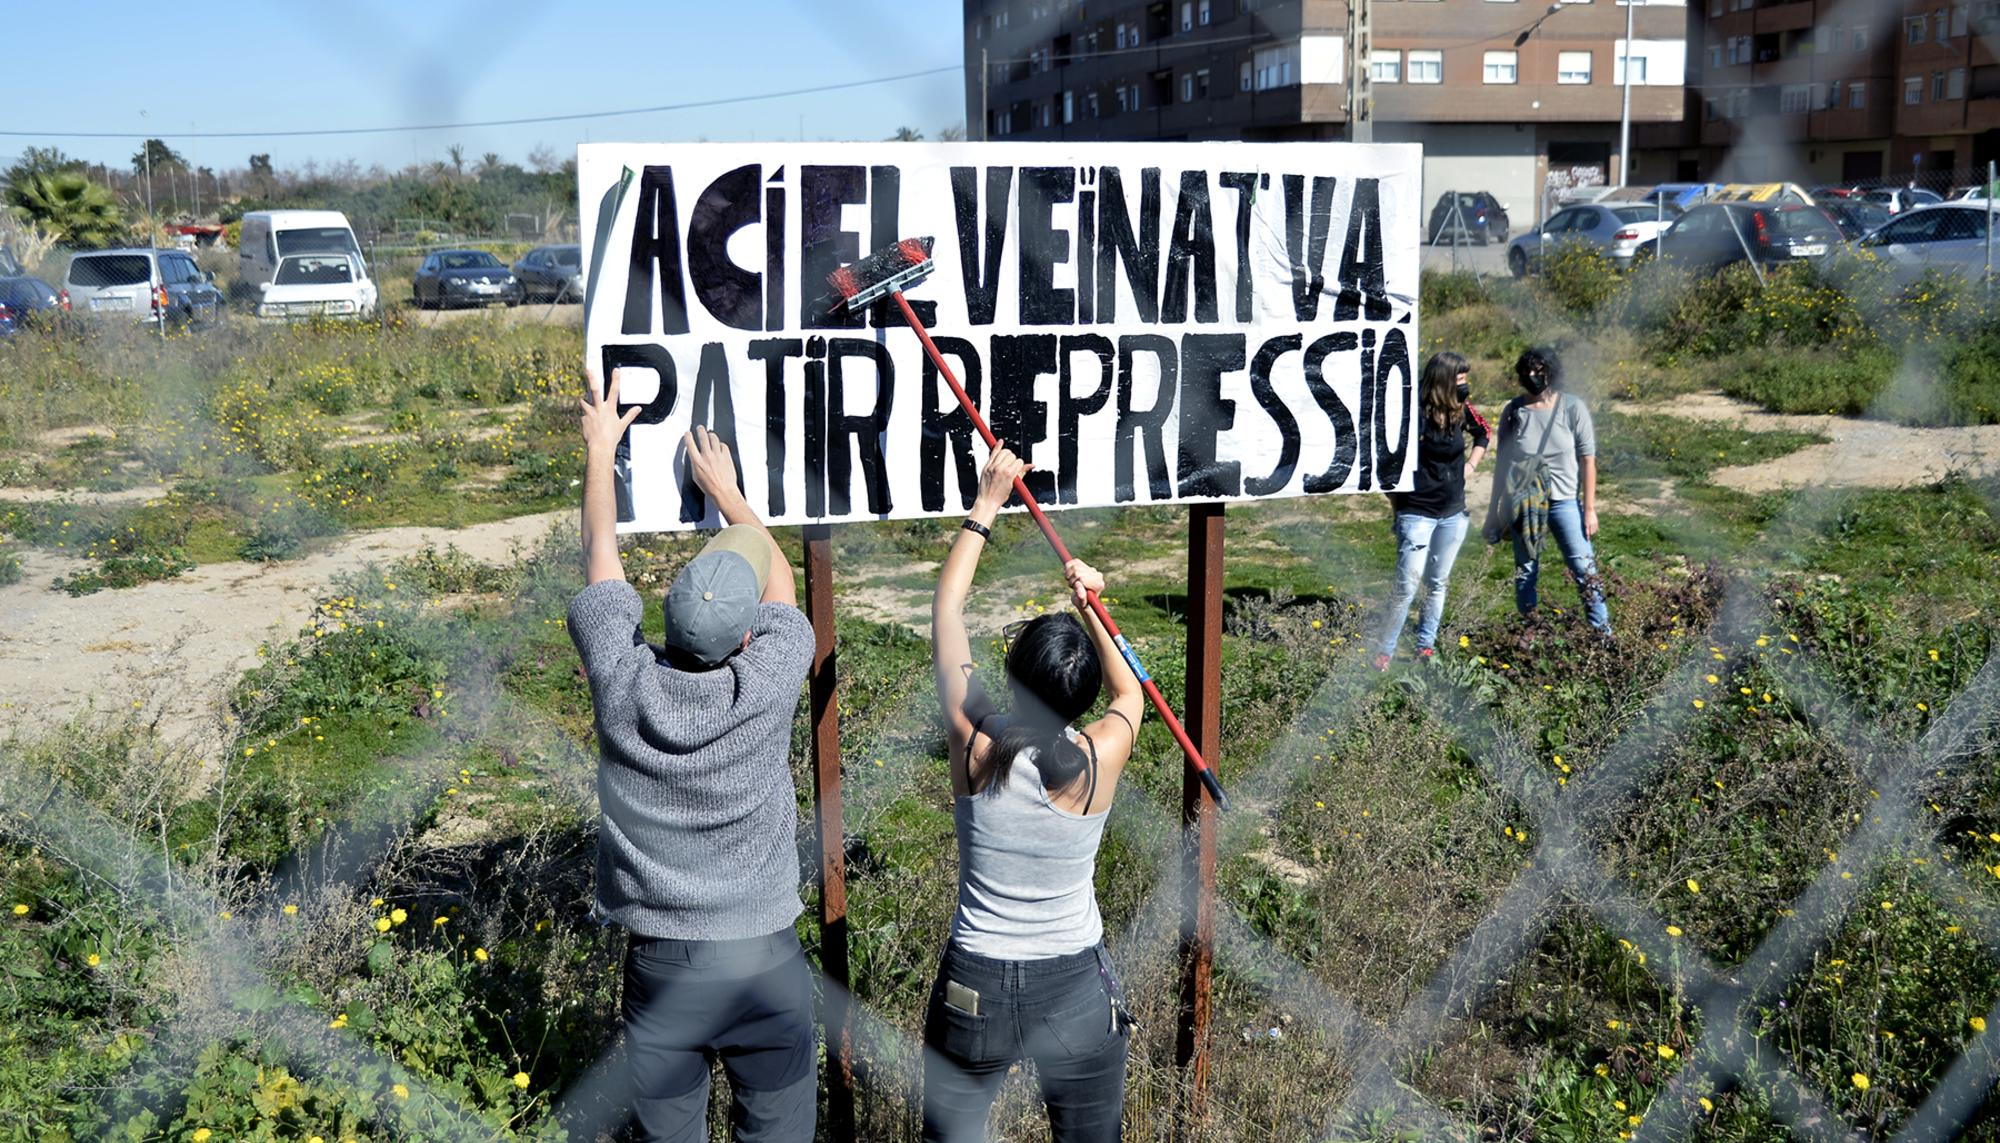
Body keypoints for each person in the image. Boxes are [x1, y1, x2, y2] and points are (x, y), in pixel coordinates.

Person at [568, 366, 818, 1143]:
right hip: (765, 961)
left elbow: (599, 556)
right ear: (747, 637)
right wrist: (729, 495)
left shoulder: (623, 682)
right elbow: (781, 581)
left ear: (665, 620)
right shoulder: (767, 683)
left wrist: (600, 447)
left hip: (664, 962)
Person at [923, 444, 1145, 1143]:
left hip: (975, 983)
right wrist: (1095, 607)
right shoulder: (1098, 756)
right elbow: (1130, 690)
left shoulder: (976, 742)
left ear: (1010, 674)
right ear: (1077, 701)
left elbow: (947, 607)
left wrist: (987, 504)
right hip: (1074, 987)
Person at [1373, 350, 1490, 669]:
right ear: (1442, 380)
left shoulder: (1460, 409)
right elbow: (1386, 465)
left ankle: (1426, 646)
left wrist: (1470, 466)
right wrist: (1399, 508)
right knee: (1407, 586)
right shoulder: (1413, 415)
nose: (1465, 385)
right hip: (1418, 514)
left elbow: (1484, 432)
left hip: (1453, 514)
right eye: (1460, 379)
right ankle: (1384, 651)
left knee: (1437, 583)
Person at [1482, 347, 1610, 633]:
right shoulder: (1513, 411)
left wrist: (1589, 510)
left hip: (1564, 502)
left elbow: (1588, 460)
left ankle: (1602, 636)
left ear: (1551, 372)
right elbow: (1501, 467)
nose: (1532, 376)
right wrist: (1494, 513)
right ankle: (1531, 633)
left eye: (1539, 371)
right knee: (1525, 571)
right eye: (1527, 371)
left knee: (1584, 570)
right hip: (1524, 503)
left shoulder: (1573, 408)